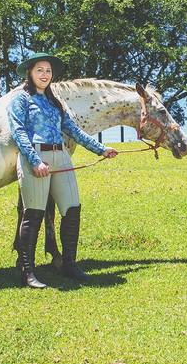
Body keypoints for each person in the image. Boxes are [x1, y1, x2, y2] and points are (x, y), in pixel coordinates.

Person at [7, 52, 117, 288]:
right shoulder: (20, 100)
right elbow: (18, 132)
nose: (45, 74)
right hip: (35, 157)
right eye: (40, 70)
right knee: (34, 213)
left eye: (48, 71)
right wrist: (35, 161)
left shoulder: (55, 102)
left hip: (61, 156)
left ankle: (69, 264)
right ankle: (28, 272)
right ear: (30, 73)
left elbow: (74, 130)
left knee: (72, 209)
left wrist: (101, 149)